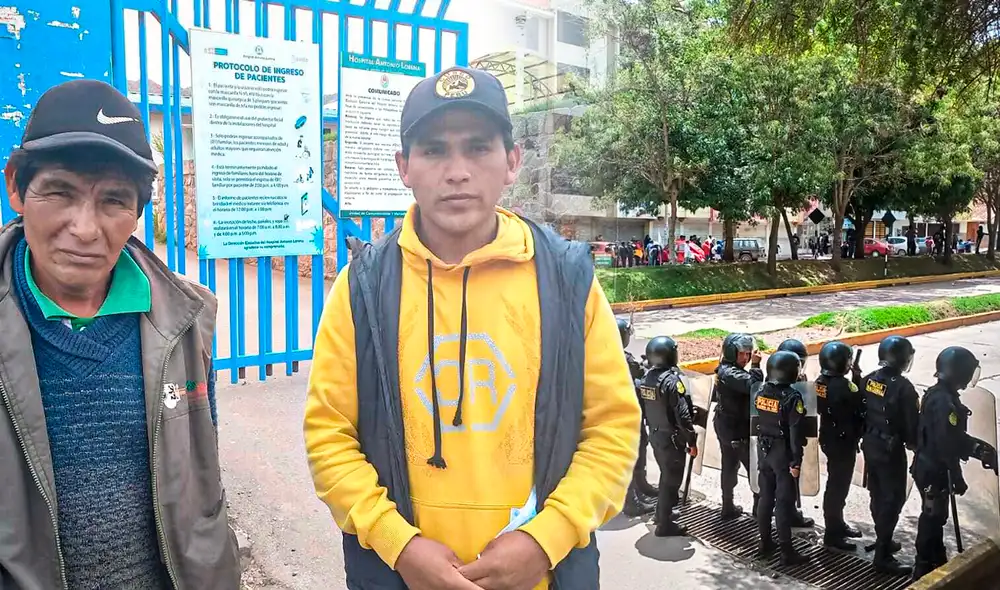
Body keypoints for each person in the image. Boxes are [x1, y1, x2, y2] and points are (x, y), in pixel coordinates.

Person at [303, 66, 641, 590]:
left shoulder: (565, 279)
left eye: (478, 148)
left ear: (511, 161)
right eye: (434, 150)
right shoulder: (363, 288)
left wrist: (546, 539)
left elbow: (612, 429)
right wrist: (399, 544)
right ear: (403, 167)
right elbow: (329, 436)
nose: (456, 170)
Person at [0, 79, 240, 588]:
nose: (85, 228)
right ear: (17, 187)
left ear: (137, 212)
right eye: (60, 191)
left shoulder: (184, 320)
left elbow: (201, 493)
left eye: (113, 200)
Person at [910, 347, 998, 580]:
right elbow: (947, 445)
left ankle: (936, 558)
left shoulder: (937, 394)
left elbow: (952, 439)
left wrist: (980, 450)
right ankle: (921, 567)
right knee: (931, 517)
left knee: (936, 517)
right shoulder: (945, 403)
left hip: (927, 465)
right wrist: (957, 476)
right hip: (933, 470)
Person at [861, 335, 919, 575]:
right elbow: (911, 426)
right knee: (892, 500)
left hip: (871, 444)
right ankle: (883, 555)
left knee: (877, 493)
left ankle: (883, 537)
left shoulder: (869, 379)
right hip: (890, 451)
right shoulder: (903, 387)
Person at [753, 351, 810, 566]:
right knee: (784, 503)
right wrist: (796, 461)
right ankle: (787, 551)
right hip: (782, 453)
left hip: (764, 450)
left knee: (765, 498)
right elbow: (795, 434)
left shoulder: (760, 392)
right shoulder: (792, 397)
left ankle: (765, 542)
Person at [638, 336, 698, 537]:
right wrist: (691, 440)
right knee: (671, 480)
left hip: (656, 435)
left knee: (666, 475)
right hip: (672, 439)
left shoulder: (647, 378)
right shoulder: (672, 382)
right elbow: (683, 416)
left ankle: (661, 513)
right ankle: (664, 525)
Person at [816, 342, 866, 551]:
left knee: (837, 485)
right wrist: (857, 377)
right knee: (838, 487)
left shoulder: (821, 382)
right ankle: (832, 534)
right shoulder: (844, 386)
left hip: (829, 436)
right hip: (843, 441)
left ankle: (837, 524)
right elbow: (860, 400)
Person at [714, 333, 764, 520]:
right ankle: (760, 510)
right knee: (755, 469)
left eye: (748, 354)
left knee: (729, 466)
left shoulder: (724, 370)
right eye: (742, 354)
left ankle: (728, 506)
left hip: (727, 425)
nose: (746, 358)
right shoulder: (731, 373)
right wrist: (757, 366)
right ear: (730, 352)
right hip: (737, 429)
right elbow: (754, 386)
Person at [773, 339, 816, 528]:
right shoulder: (782, 385)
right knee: (786, 483)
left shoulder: (775, 379)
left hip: (771, 442)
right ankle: (787, 516)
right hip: (786, 441)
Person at [621, 318, 658, 517]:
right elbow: (637, 380)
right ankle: (631, 502)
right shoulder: (623, 359)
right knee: (629, 457)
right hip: (624, 416)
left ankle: (641, 486)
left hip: (631, 414)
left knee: (639, 451)